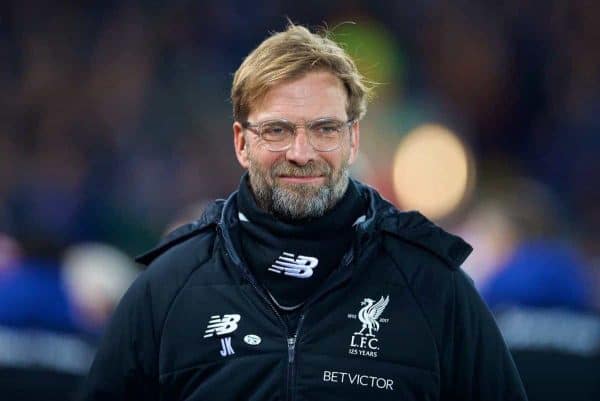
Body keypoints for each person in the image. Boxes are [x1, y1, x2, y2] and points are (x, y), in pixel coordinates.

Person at [80, 24, 528, 401]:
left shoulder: (434, 287)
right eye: (277, 130)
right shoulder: (168, 287)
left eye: (324, 129)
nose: (301, 152)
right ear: (241, 142)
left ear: (353, 140)